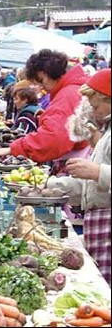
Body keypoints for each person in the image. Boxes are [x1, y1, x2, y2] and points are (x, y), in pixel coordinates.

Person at [47, 69, 111, 284]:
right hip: (98, 223)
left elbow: (98, 176)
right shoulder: (107, 131)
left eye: (96, 106)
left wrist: (97, 171)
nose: (94, 112)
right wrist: (52, 187)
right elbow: (91, 184)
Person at [0, 49, 90, 170]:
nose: (41, 87)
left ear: (44, 73)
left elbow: (54, 138)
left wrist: (14, 149)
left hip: (77, 164)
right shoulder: (74, 88)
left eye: (41, 81)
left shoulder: (68, 95)